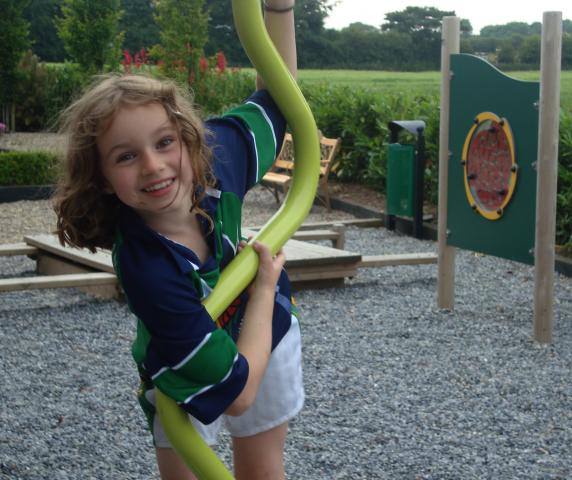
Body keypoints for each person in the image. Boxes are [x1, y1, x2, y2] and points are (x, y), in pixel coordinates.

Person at [53, 2, 302, 479]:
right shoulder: (147, 267)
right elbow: (236, 391)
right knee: (185, 466)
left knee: (263, 469)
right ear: (103, 178)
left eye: (165, 142)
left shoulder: (216, 162)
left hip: (263, 327)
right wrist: (265, 285)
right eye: (126, 156)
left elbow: (278, 98)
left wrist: (279, 8)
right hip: (183, 358)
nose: (154, 165)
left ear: (190, 140)